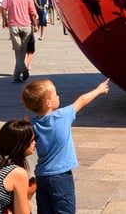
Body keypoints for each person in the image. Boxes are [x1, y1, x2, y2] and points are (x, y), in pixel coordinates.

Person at [21, 78, 110, 214]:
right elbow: (82, 100)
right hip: (61, 176)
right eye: (55, 94)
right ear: (48, 103)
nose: (58, 96)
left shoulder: (32, 124)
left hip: (42, 176)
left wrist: (26, 122)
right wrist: (99, 90)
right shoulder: (62, 116)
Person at [1, 0, 38, 83]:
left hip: (14, 25)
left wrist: (4, 20)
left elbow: (3, 8)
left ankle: (19, 73)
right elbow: (33, 12)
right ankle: (20, 72)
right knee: (23, 50)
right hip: (26, 26)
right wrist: (35, 25)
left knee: (18, 51)